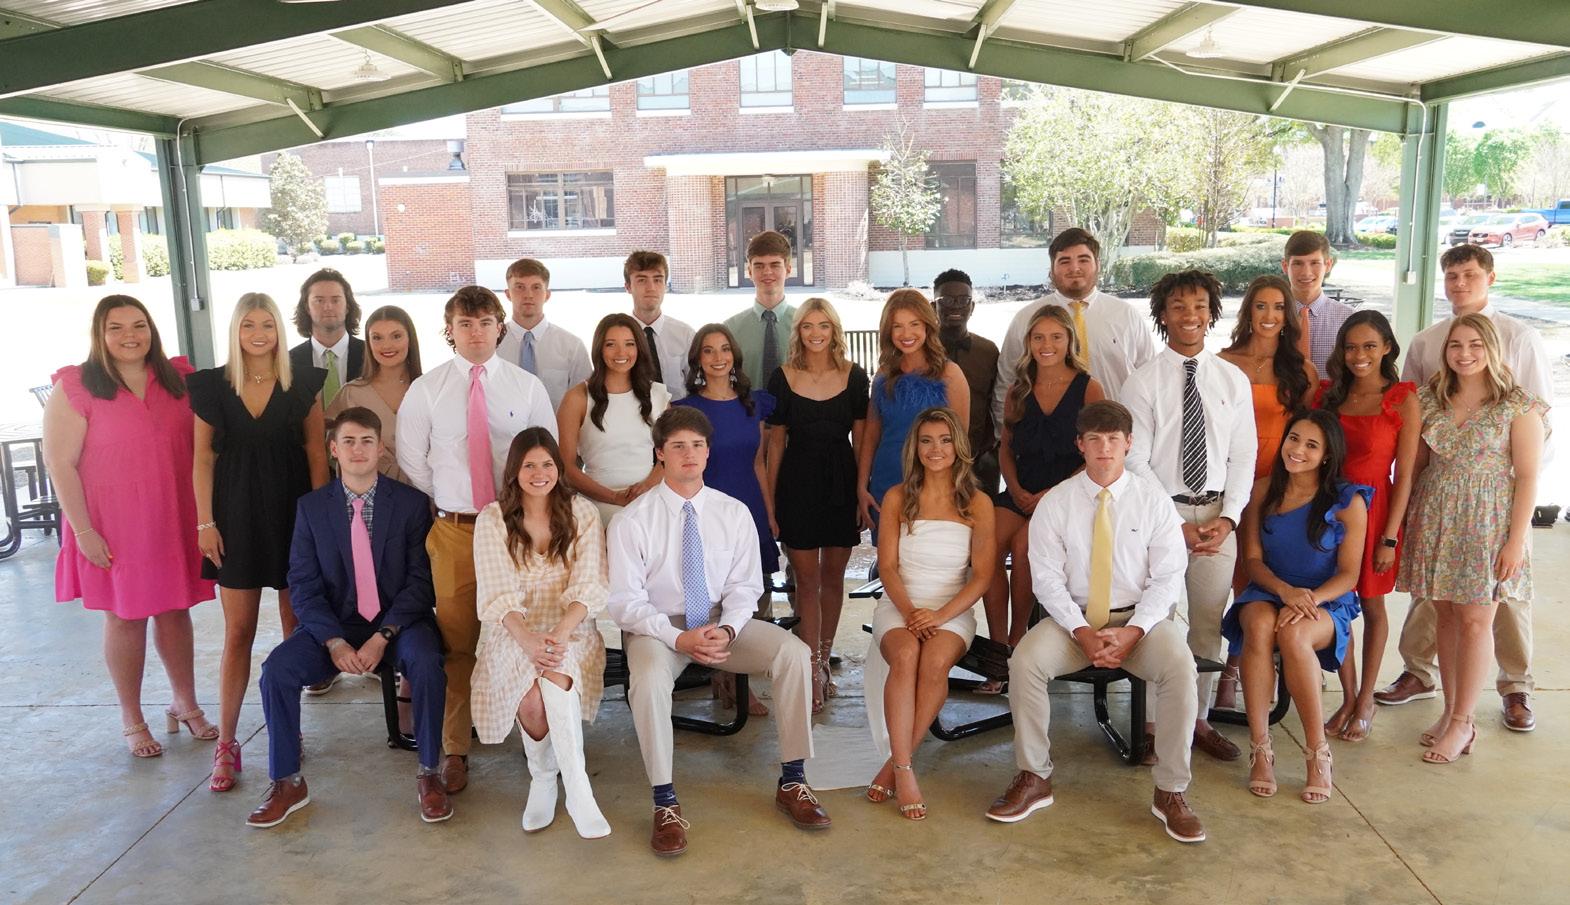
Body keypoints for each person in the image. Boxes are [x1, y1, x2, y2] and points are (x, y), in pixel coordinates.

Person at [608, 407, 829, 857]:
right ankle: (665, 803)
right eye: (677, 446)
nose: (688, 454)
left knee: (792, 653)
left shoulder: (733, 511)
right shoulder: (632, 520)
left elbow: (745, 588)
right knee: (647, 678)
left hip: (720, 622)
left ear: (708, 452)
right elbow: (625, 604)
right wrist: (678, 639)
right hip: (658, 627)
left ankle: (793, 780)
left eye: (697, 445)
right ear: (660, 453)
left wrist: (727, 628)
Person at [985, 401, 1204, 844]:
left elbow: (1168, 578)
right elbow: (1046, 580)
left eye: (1113, 439)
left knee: (1181, 665)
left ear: (1128, 444)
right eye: (1094, 439)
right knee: (1025, 661)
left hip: (1137, 622)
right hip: (1074, 622)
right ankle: (1034, 776)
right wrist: (1082, 632)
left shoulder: (1154, 502)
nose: (1104, 448)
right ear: (1080, 445)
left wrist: (1134, 630)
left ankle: (1170, 790)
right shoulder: (1057, 503)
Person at [1379, 244, 1554, 733]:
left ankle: (1512, 687)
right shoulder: (1427, 343)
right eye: (1452, 275)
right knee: (1441, 610)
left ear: (1489, 277)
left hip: (1494, 505)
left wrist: (1516, 524)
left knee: (1497, 608)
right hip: (1439, 507)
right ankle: (1426, 680)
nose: (1460, 283)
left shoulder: (1520, 341)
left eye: (1469, 275)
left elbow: (1534, 444)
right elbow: (1414, 438)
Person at [246, 408, 450, 827]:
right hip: (334, 626)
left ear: (381, 449)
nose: (358, 450)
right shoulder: (311, 508)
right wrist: (334, 641)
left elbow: (421, 581)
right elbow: (302, 584)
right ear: (334, 449)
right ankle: (287, 781)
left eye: (367, 441)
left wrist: (384, 634)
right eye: (349, 441)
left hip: (398, 623)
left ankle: (430, 772)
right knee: (276, 671)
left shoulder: (410, 504)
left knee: (428, 662)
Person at [397, 285, 556, 795]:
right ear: (449, 330)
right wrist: (454, 500)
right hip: (457, 529)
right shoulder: (427, 389)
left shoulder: (526, 387)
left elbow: (545, 456)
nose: (476, 332)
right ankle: (455, 748)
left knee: (529, 630)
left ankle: (540, 737)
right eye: (464, 324)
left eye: (485, 322)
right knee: (458, 641)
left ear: (499, 327)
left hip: (518, 528)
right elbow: (414, 461)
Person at [45, 295, 216, 758]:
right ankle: (132, 717)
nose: (129, 336)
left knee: (176, 610)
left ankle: (184, 702)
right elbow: (60, 463)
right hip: (112, 523)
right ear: (99, 335)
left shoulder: (179, 379)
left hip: (173, 515)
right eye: (116, 328)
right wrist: (84, 532)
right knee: (125, 617)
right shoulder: (77, 385)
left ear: (151, 330)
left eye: (138, 325)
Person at [190, 292, 329, 792]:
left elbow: (317, 456)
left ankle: (288, 733)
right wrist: (205, 523)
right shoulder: (212, 386)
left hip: (294, 519)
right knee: (238, 633)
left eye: (267, 324)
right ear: (235, 329)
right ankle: (227, 744)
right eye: (248, 324)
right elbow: (202, 458)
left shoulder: (302, 383)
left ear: (279, 330)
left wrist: (320, 526)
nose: (258, 334)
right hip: (235, 520)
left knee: (296, 630)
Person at [1398, 314, 1545, 764]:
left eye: (1475, 345)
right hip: (1437, 516)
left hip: (1488, 522)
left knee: (1476, 622)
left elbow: (1528, 477)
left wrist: (1515, 542)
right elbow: (1415, 465)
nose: (1465, 354)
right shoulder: (1430, 399)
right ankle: (1450, 712)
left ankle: (1465, 722)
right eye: (1456, 345)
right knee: (1445, 617)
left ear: (1492, 349)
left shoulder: (1518, 404)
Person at [1123, 269, 1255, 765]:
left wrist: (1230, 518)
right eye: (1178, 306)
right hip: (1161, 516)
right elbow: (1135, 460)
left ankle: (1197, 720)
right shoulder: (1143, 381)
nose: (1190, 315)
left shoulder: (1231, 379)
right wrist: (1172, 522)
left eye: (1199, 305)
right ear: (1162, 314)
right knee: (1154, 621)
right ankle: (1151, 726)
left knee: (1206, 625)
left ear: (1211, 312)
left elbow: (1243, 454)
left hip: (1217, 515)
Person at [1222, 411, 1369, 804]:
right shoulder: (1262, 491)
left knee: (1295, 633)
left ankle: (1317, 752)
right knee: (1258, 626)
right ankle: (1260, 748)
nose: (1298, 450)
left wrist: (1308, 599)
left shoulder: (1348, 501)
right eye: (1293, 438)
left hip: (1325, 599)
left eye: (1311, 445)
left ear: (1326, 455)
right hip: (1270, 589)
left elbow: (1349, 574)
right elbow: (1252, 560)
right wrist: (1285, 592)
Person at [472, 428, 611, 839]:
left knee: (555, 674)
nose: (539, 473)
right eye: (529, 465)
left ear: (559, 468)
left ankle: (578, 789)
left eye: (547, 464)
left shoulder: (582, 513)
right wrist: (529, 641)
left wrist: (560, 633)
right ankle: (544, 777)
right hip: (512, 630)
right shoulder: (492, 518)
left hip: (572, 626)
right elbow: (497, 592)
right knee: (531, 695)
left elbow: (590, 582)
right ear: (514, 470)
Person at [863, 407, 995, 819]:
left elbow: (982, 576)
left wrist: (938, 617)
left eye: (944, 440)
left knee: (935, 660)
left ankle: (895, 764)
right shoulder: (897, 497)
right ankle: (905, 769)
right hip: (900, 603)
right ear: (915, 448)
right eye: (926, 441)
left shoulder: (978, 503)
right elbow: (886, 567)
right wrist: (910, 612)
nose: (935, 449)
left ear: (958, 446)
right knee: (906, 655)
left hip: (951, 608)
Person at [1213, 273, 1316, 708]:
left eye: (1278, 307)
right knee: (1235, 576)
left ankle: (1263, 665)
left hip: (1278, 487)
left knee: (1270, 574)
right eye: (1261, 306)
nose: (1269, 315)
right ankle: (1230, 670)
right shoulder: (1223, 362)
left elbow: (1309, 435)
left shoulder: (1301, 370)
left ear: (1288, 315)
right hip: (1229, 483)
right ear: (1248, 311)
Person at [1316, 311, 1419, 742]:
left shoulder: (1401, 399)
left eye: (1370, 346)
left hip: (1376, 511)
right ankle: (1347, 696)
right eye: (1351, 347)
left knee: (1373, 609)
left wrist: (1390, 537)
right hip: (1329, 510)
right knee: (1335, 607)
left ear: (1387, 348)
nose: (1359, 355)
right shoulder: (1327, 396)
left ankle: (1365, 701)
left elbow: (1405, 475)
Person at [765, 298, 869, 715]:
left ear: (834, 330)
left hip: (841, 483)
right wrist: (771, 502)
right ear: (799, 332)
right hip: (797, 484)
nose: (815, 333)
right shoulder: (782, 377)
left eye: (823, 325)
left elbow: (861, 440)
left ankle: (824, 660)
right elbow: (775, 444)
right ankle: (810, 669)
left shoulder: (854, 376)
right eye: (807, 326)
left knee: (833, 579)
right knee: (806, 582)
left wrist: (861, 492)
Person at [985, 304, 1103, 668]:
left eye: (1055, 337)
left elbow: (1096, 454)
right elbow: (1005, 448)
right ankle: (996, 648)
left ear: (1070, 341)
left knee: (1025, 546)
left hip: (1067, 496)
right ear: (1028, 343)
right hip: (1022, 491)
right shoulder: (1018, 390)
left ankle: (1018, 641)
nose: (1046, 345)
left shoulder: (1089, 388)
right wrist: (1015, 488)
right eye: (1038, 337)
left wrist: (1051, 495)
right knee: (986, 546)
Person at [675, 324, 778, 715]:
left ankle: (738, 676)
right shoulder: (687, 410)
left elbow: (758, 462)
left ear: (734, 355)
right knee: (713, 596)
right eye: (708, 351)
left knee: (753, 595)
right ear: (698, 360)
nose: (718, 358)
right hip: (706, 512)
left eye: (724, 349)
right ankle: (726, 680)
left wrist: (768, 513)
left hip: (749, 506)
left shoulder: (753, 404)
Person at [992, 227, 1156, 430]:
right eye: (1064, 261)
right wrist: (1004, 435)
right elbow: (1007, 380)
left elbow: (1149, 378)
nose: (1074, 268)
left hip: (1114, 436)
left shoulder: (1126, 315)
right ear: (1052, 269)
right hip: (1045, 436)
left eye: (1083, 259)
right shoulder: (1027, 319)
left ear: (1097, 265)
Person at [857, 289, 970, 536]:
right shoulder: (884, 375)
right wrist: (862, 486)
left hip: (935, 484)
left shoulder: (951, 374)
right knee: (888, 554)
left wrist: (954, 489)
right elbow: (871, 436)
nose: (906, 334)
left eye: (914, 324)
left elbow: (961, 442)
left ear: (928, 325)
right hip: (886, 481)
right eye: (897, 326)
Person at [558, 313, 670, 528]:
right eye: (611, 344)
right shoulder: (577, 398)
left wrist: (647, 487)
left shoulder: (657, 395)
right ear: (599, 349)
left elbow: (670, 455)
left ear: (639, 348)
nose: (621, 353)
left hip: (650, 503)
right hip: (597, 508)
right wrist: (614, 498)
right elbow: (566, 468)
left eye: (629, 344)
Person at [325, 305, 421, 482]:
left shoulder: (428, 390)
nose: (386, 345)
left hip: (424, 491)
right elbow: (328, 447)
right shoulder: (351, 393)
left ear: (410, 339)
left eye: (396, 336)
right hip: (367, 491)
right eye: (377, 338)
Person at [932, 269, 1000, 492]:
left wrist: (991, 448)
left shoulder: (988, 351)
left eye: (963, 300)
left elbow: (997, 401)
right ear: (933, 306)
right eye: (947, 300)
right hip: (930, 457)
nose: (955, 306)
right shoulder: (922, 351)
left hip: (979, 458)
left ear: (972, 307)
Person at [496, 257, 593, 410]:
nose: (528, 295)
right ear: (508, 294)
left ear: (547, 295)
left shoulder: (572, 346)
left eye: (536, 287)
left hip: (557, 425)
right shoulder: (492, 345)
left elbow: (585, 402)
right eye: (520, 287)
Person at [723, 230, 796, 389]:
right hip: (747, 404)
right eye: (759, 266)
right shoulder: (730, 330)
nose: (767, 272)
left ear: (788, 270)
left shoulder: (805, 324)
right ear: (750, 272)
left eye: (775, 265)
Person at [1281, 230, 1355, 375]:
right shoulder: (1271, 317)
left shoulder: (1348, 318)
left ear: (1328, 265)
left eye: (1314, 263)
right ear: (1285, 266)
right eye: (1298, 263)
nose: (1306, 272)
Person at [288, 268, 364, 409]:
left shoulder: (370, 354)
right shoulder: (289, 361)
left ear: (347, 306)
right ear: (307, 307)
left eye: (335, 300)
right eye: (319, 300)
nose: (328, 307)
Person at [626, 250, 695, 400]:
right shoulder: (619, 336)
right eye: (642, 280)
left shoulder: (685, 335)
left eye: (657, 280)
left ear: (665, 286)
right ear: (628, 287)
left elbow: (698, 385)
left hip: (678, 411)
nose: (651, 288)